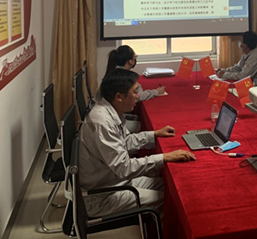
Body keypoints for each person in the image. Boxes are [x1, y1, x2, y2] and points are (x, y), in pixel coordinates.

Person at [79, 68, 196, 217]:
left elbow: (126, 141)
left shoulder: (111, 110)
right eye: (134, 92)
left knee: (169, 187)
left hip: (114, 180)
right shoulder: (102, 122)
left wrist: (154, 134)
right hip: (102, 195)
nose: (138, 95)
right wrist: (164, 157)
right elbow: (124, 168)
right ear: (119, 97)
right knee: (169, 200)